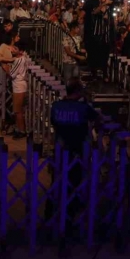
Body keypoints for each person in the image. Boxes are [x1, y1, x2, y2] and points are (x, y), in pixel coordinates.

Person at [50, 78, 99, 221]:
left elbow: (54, 123)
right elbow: (98, 119)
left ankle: (57, 210)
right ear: (78, 92)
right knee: (77, 182)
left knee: (59, 181)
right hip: (78, 151)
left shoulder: (56, 106)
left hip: (60, 150)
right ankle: (75, 211)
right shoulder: (83, 108)